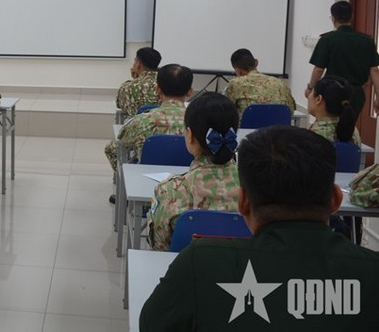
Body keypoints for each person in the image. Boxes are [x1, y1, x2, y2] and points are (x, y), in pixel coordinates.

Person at [140, 125, 379, 330]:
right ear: (335, 200)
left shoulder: (199, 262)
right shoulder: (371, 273)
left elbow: (152, 325)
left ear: (243, 201)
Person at [147, 92, 241, 251]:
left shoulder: (170, 191)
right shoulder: (258, 188)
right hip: (244, 272)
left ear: (189, 135)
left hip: (188, 273)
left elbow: (160, 247)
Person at [305, 0, 379, 115]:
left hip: (332, 93)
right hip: (356, 94)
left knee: (330, 127)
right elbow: (374, 70)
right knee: (348, 127)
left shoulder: (328, 39)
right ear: (351, 17)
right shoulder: (367, 41)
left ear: (333, 18)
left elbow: (319, 69)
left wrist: (311, 89)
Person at [115, 64, 193, 163]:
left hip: (146, 176)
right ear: (190, 91)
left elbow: (122, 138)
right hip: (189, 176)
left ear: (158, 89)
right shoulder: (199, 123)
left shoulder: (143, 120)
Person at [105, 47, 162, 171]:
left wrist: (135, 80)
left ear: (138, 64)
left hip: (137, 140)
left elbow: (120, 105)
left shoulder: (128, 87)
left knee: (110, 148)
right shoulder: (166, 84)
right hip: (165, 136)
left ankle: (125, 180)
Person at [225, 48, 295, 117]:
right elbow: (291, 110)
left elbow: (226, 111)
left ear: (238, 71)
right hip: (279, 127)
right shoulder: (280, 83)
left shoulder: (235, 84)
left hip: (248, 127)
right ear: (256, 62)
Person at [307, 75, 360, 145]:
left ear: (318, 99)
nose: (308, 96)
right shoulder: (352, 131)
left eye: (311, 92)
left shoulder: (315, 136)